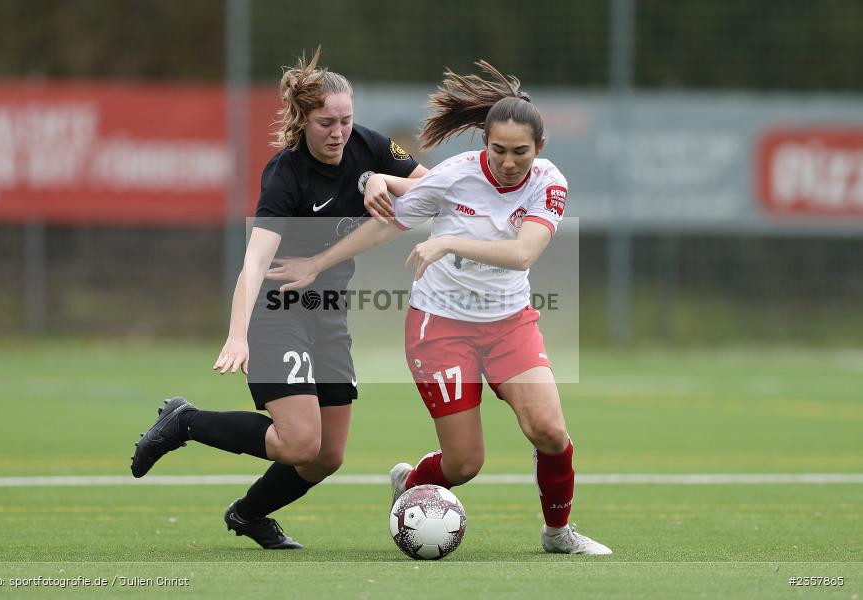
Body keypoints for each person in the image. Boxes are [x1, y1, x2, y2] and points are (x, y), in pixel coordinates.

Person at [266, 61, 612, 555]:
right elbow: (386, 225)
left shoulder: (549, 183)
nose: (508, 162)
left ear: (540, 147)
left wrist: (447, 240)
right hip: (441, 328)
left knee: (550, 431)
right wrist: (321, 258)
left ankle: (558, 533)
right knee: (464, 464)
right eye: (498, 150)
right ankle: (411, 484)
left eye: (521, 152)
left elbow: (523, 254)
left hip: (510, 323)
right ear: (484, 143)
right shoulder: (455, 175)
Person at [129, 48, 427, 550]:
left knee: (328, 455)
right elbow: (254, 262)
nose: (339, 133)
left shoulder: (370, 147)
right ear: (303, 120)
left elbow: (432, 191)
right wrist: (237, 335)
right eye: (326, 123)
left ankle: (248, 514)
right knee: (300, 442)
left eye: (346, 121)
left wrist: (381, 179)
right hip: (277, 312)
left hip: (328, 314)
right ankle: (186, 422)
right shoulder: (285, 175)